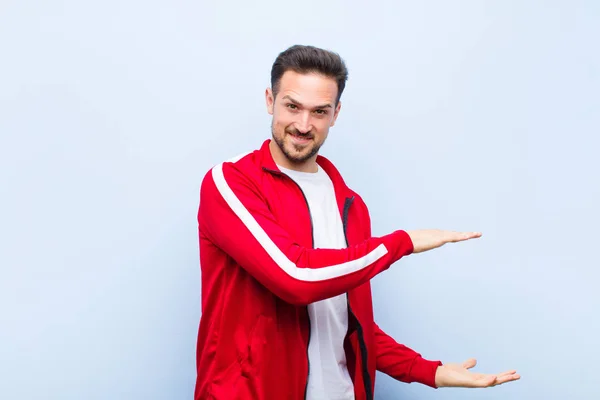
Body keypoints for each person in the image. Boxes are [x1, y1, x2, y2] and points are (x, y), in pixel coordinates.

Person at [194, 45, 520, 400]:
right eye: (292, 106)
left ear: (335, 114)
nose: (303, 125)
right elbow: (295, 277)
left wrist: (431, 371)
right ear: (270, 100)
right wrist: (401, 243)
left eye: (319, 111)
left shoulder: (350, 205)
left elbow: (346, 321)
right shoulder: (231, 182)